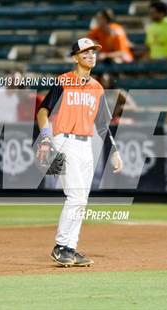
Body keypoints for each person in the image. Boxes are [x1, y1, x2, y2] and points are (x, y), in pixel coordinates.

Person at [36, 38, 123, 267]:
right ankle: (60, 246)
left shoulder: (97, 88)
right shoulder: (63, 81)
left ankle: (70, 249)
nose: (91, 55)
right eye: (85, 52)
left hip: (86, 145)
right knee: (75, 195)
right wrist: (45, 139)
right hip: (64, 140)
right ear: (75, 57)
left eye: (93, 51)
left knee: (81, 199)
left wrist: (114, 150)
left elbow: (103, 124)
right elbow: (43, 112)